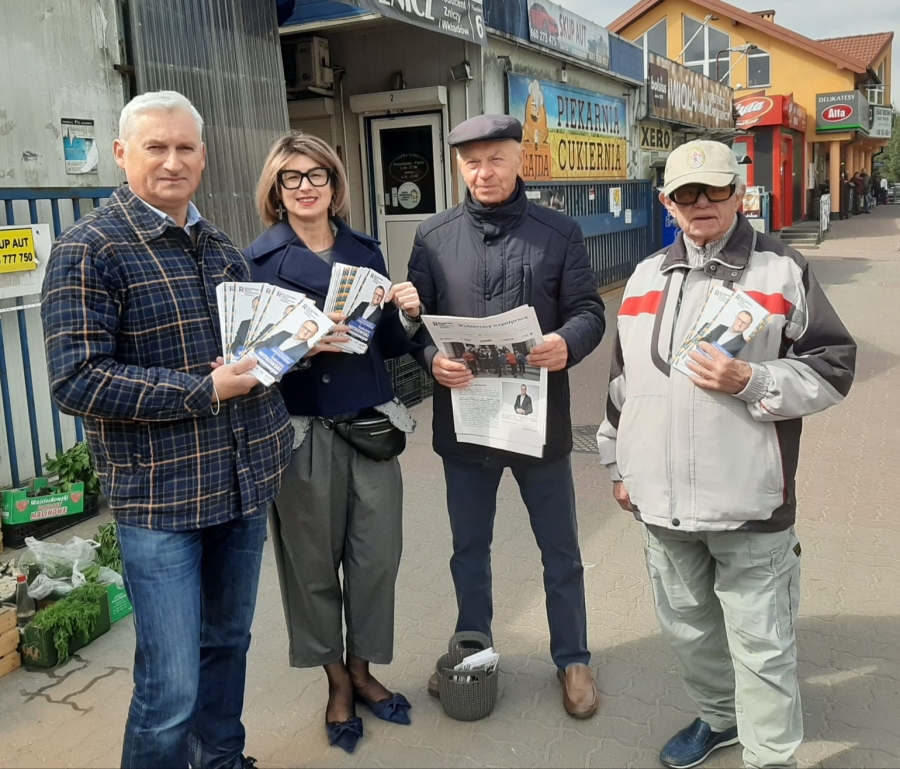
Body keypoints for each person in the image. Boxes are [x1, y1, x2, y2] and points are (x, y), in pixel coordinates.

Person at [40, 91, 293, 769]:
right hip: (161, 502)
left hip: (239, 487)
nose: (173, 161)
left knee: (228, 646)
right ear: (122, 154)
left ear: (203, 157)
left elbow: (243, 356)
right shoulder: (89, 249)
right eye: (156, 147)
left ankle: (222, 760)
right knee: (170, 685)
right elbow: (78, 379)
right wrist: (203, 389)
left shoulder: (220, 246)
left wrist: (293, 346)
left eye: (185, 148)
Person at [597, 139, 856, 769]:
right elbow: (623, 383)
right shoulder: (644, 276)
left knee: (762, 644)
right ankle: (720, 717)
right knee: (689, 630)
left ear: (740, 194)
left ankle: (769, 756)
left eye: (714, 189)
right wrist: (617, 465)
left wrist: (754, 381)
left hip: (748, 503)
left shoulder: (781, 269)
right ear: (667, 203)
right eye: (685, 193)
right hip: (660, 502)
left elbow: (834, 367)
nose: (701, 202)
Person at [408, 115, 606, 718]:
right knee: (469, 549)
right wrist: (430, 360)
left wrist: (568, 342)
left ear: (521, 159)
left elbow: (589, 310)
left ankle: (573, 658)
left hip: (536, 422)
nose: (484, 172)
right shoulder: (433, 236)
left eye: (496, 159)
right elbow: (415, 323)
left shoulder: (558, 232)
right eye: (472, 162)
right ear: (458, 167)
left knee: (560, 548)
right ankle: (474, 649)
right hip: (465, 424)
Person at [244, 132, 424, 754]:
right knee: (312, 569)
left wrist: (407, 314)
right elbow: (245, 363)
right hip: (302, 437)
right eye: (291, 177)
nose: (305, 187)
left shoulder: (364, 250)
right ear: (275, 188)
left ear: (333, 182)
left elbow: (391, 346)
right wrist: (301, 348)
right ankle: (337, 682)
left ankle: (365, 670)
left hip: (369, 431)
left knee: (376, 562)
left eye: (316, 175)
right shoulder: (255, 263)